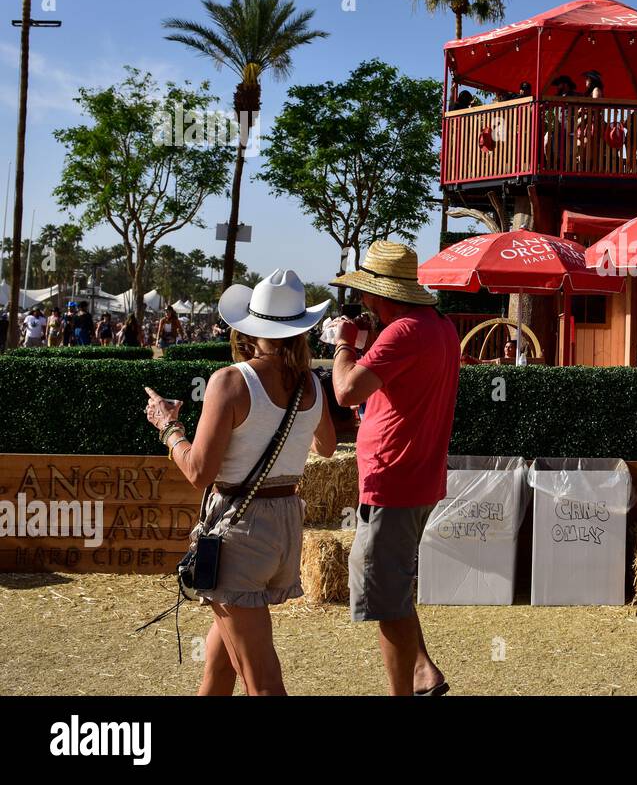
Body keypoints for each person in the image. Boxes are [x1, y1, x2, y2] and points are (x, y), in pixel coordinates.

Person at [143, 269, 335, 695]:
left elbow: (198, 472)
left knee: (262, 680)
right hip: (285, 524)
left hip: (240, 528)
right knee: (220, 663)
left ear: (252, 325)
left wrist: (168, 428)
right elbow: (325, 446)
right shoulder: (311, 384)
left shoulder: (231, 380)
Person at [327, 240, 461, 696]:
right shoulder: (438, 326)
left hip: (393, 480)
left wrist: (344, 345)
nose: (362, 303)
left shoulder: (403, 331)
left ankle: (404, 689)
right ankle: (423, 671)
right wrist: (368, 340)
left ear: (379, 294)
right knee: (393, 585)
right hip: (416, 476)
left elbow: (346, 392)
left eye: (365, 294)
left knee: (383, 596)